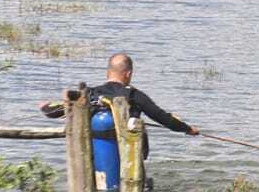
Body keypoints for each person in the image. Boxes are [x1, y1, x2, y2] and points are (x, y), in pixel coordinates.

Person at [41, 52, 199, 166]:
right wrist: (187, 129)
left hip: (97, 157)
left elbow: (53, 111)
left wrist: (45, 107)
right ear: (128, 74)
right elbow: (162, 117)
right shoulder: (134, 95)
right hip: (129, 159)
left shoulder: (90, 94)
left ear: (107, 72)